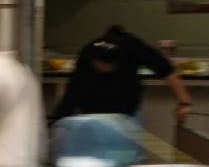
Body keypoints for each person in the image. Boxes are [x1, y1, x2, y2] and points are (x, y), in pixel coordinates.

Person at [53, 25, 191, 125]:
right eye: (99, 64)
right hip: (93, 111)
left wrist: (184, 103)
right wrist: (59, 123)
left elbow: (166, 70)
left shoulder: (133, 47)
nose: (102, 68)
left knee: (127, 153)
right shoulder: (86, 54)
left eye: (107, 66)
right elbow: (72, 92)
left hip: (127, 110)